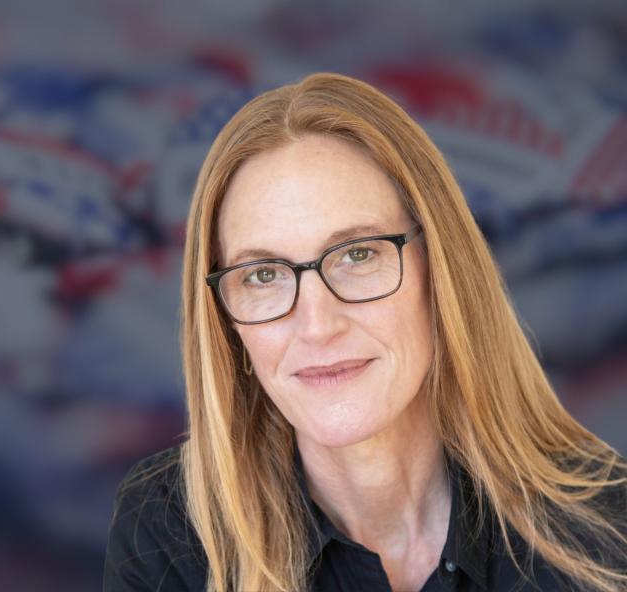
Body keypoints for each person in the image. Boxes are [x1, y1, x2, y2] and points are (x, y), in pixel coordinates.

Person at [103, 73, 627, 592]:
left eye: (358, 254)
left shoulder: (606, 533)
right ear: (226, 319)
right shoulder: (169, 531)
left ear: (439, 269)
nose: (318, 325)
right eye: (263, 275)